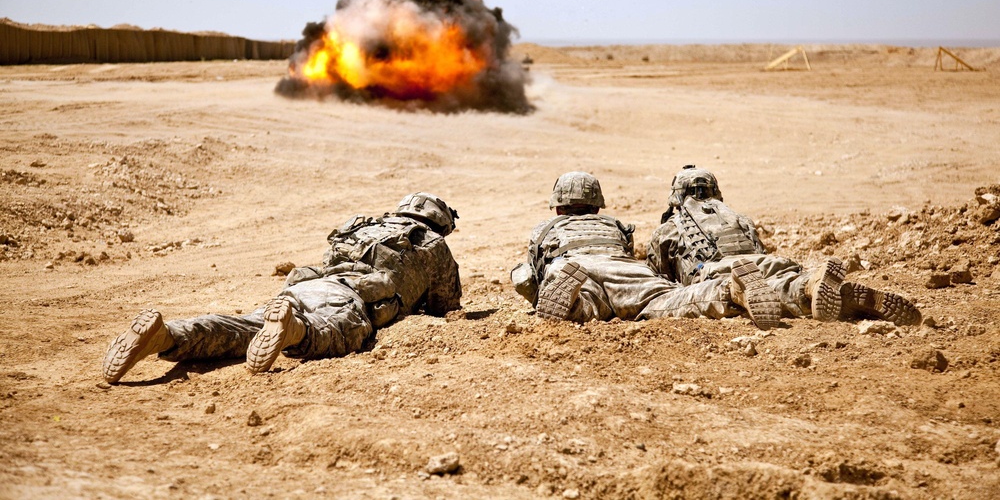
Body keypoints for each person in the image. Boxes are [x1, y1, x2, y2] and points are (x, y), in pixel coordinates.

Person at [102, 193, 461, 383]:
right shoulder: (429, 242)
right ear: (439, 221)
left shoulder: (365, 226)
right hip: (351, 299)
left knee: (243, 327)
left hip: (309, 287)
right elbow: (446, 305)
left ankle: (166, 335)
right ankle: (294, 330)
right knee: (335, 334)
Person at [646, 165, 921, 326]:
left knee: (755, 294)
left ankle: (807, 292)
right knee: (784, 281)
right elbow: (759, 251)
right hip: (769, 263)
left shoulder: (668, 229)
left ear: (676, 196)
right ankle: (812, 284)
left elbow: (659, 282)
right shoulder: (738, 218)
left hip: (722, 274)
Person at [510, 171, 783, 329]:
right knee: (670, 303)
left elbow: (529, 278)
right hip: (630, 271)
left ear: (558, 208)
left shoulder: (545, 228)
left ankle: (574, 303)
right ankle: (729, 290)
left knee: (586, 307)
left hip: (576, 270)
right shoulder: (614, 225)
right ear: (597, 207)